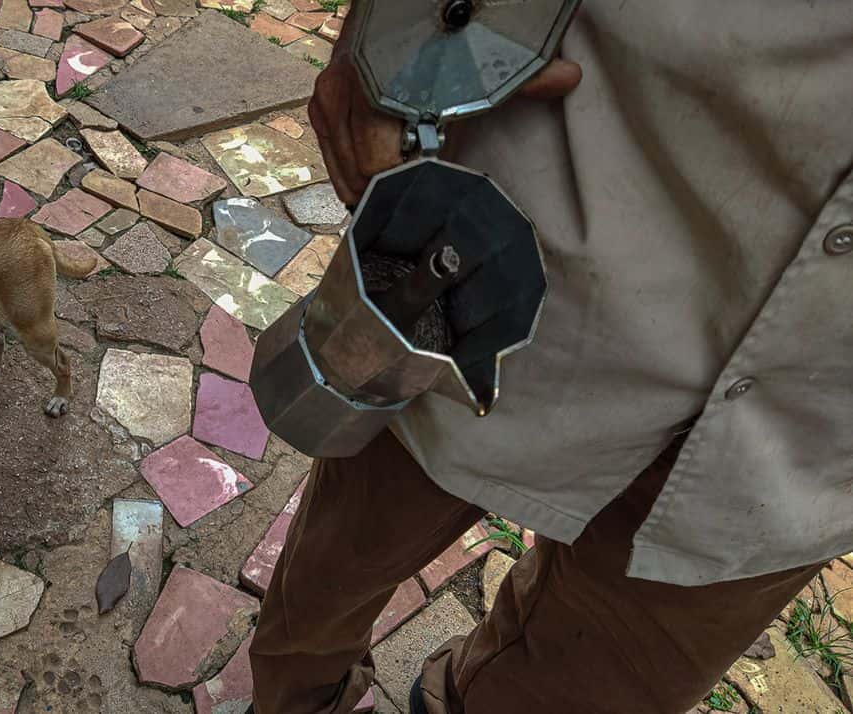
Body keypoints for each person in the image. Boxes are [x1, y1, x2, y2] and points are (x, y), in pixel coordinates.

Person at [248, 3, 853, 713]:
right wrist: (394, 37)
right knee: (335, 573)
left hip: (812, 430)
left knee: (584, 688)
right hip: (537, 241)